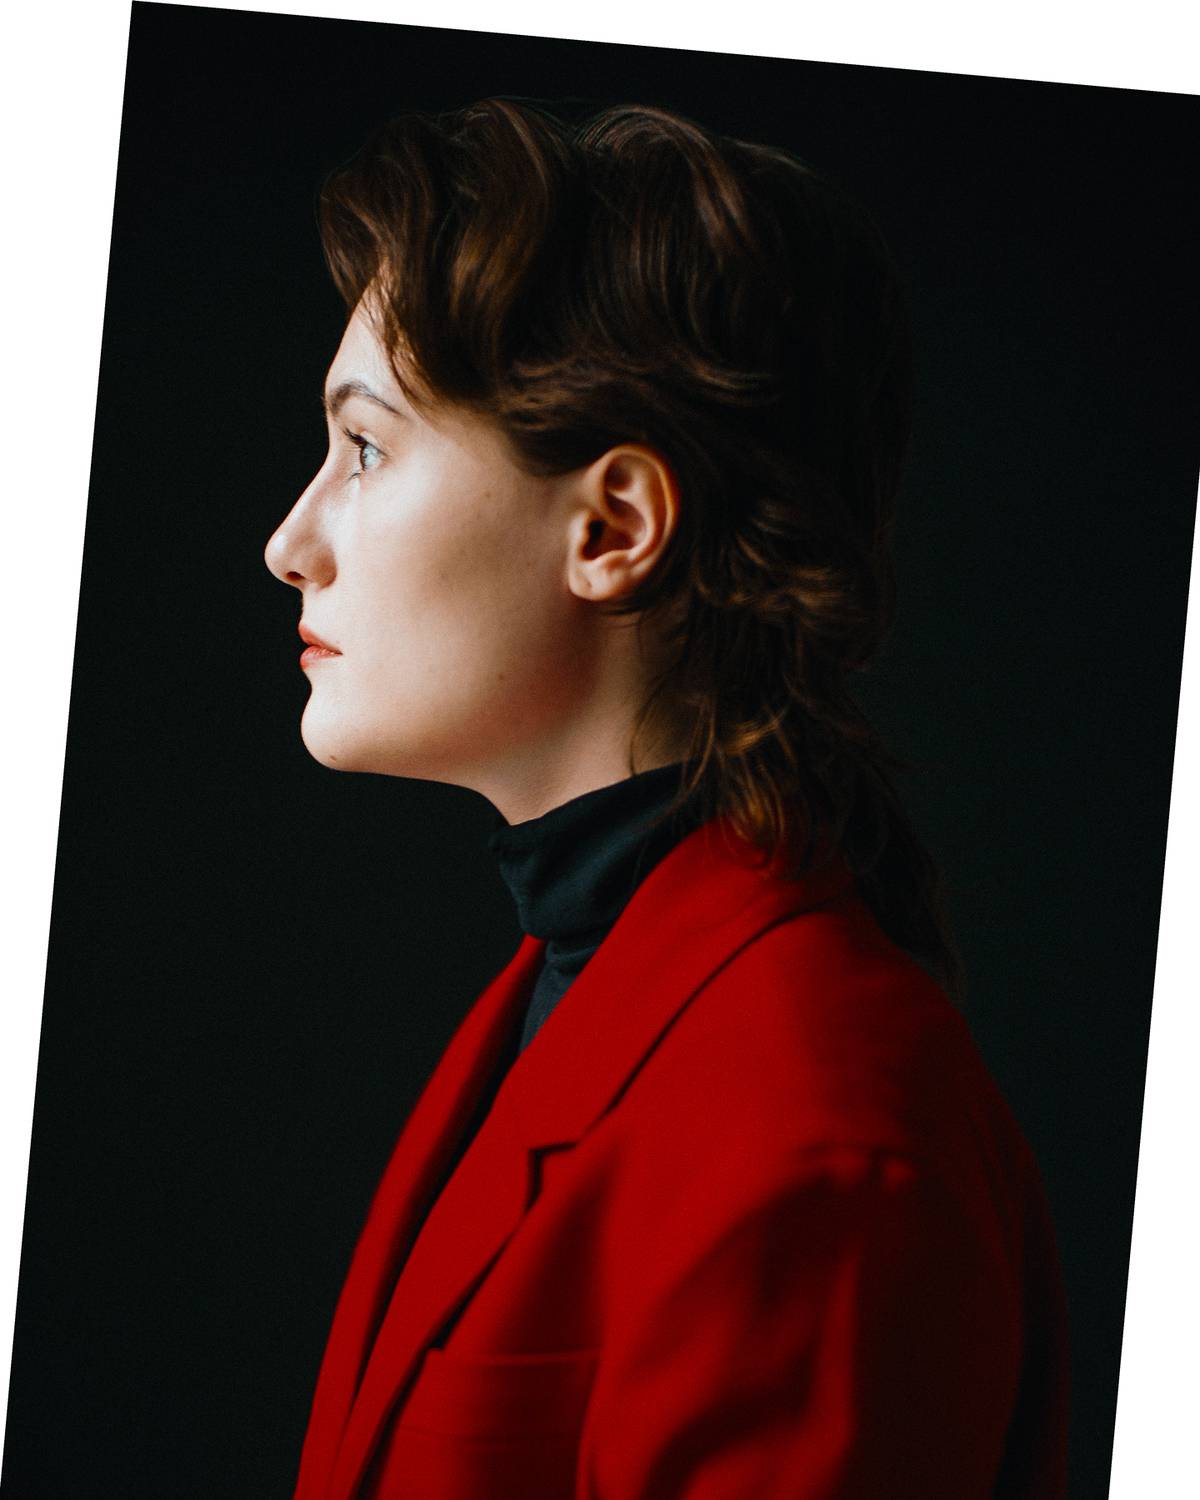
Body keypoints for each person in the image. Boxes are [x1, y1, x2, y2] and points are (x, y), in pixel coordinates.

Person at [264, 97, 1069, 1500]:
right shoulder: (563, 993)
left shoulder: (814, 1135)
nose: (292, 541)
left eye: (368, 449)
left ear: (615, 527)